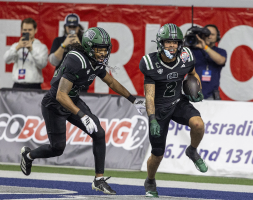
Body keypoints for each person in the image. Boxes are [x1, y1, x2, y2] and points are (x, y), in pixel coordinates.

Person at [20, 27, 146, 195]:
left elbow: (111, 82)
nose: (102, 53)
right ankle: (28, 156)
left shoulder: (94, 62)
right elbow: (60, 95)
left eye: (104, 49)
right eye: (98, 49)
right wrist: (81, 114)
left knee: (99, 133)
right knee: (57, 148)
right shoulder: (76, 60)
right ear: (88, 47)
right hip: (55, 104)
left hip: (72, 99)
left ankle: (98, 180)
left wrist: (133, 99)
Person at [139, 23, 208, 198]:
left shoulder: (185, 57)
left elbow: (192, 73)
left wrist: (197, 90)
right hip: (159, 108)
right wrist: (152, 118)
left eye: (175, 42)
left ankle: (192, 150)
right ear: (160, 43)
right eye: (168, 42)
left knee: (198, 124)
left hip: (178, 102)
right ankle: (150, 180)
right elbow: (150, 96)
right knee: (157, 154)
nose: (172, 45)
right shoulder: (150, 63)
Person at [4, 18, 48, 89]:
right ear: (21, 30)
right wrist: (17, 47)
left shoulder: (41, 47)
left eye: (30, 30)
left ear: (35, 30)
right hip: (18, 85)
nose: (27, 32)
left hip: (34, 86)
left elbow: (42, 65)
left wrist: (31, 50)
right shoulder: (16, 45)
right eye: (25, 30)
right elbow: (6, 59)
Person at [48, 13, 88, 92]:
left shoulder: (85, 41)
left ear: (78, 27)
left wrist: (78, 45)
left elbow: (88, 63)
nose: (71, 29)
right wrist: (63, 45)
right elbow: (53, 62)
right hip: (61, 83)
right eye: (70, 27)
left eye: (74, 27)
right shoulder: (58, 40)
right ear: (65, 27)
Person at [190, 24, 227, 100]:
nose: (209, 36)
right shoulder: (193, 50)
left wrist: (205, 47)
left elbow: (221, 60)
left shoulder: (220, 51)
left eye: (212, 34)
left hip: (211, 96)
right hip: (192, 93)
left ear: (217, 37)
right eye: (207, 34)